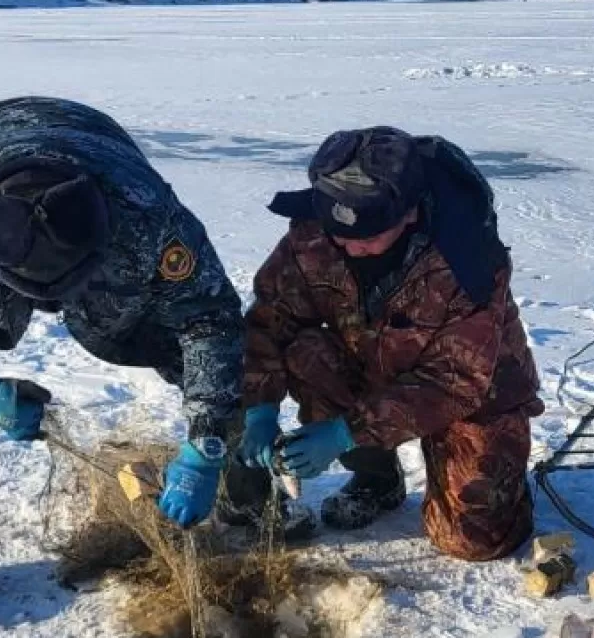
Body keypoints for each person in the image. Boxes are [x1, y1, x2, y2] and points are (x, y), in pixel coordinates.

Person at [0, 96, 244, 633]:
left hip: (93, 151)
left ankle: (250, 502)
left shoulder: (145, 216)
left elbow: (209, 318)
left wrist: (207, 439)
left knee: (200, 357)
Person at [226, 126, 544, 561]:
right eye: (340, 235)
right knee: (306, 353)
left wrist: (343, 433)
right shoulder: (318, 232)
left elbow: (455, 383)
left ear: (409, 213)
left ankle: (499, 482)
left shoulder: (470, 262)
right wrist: (259, 408)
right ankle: (378, 478)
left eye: (368, 236)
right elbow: (268, 321)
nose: (350, 247)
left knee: (473, 541)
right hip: (374, 363)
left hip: (472, 391)